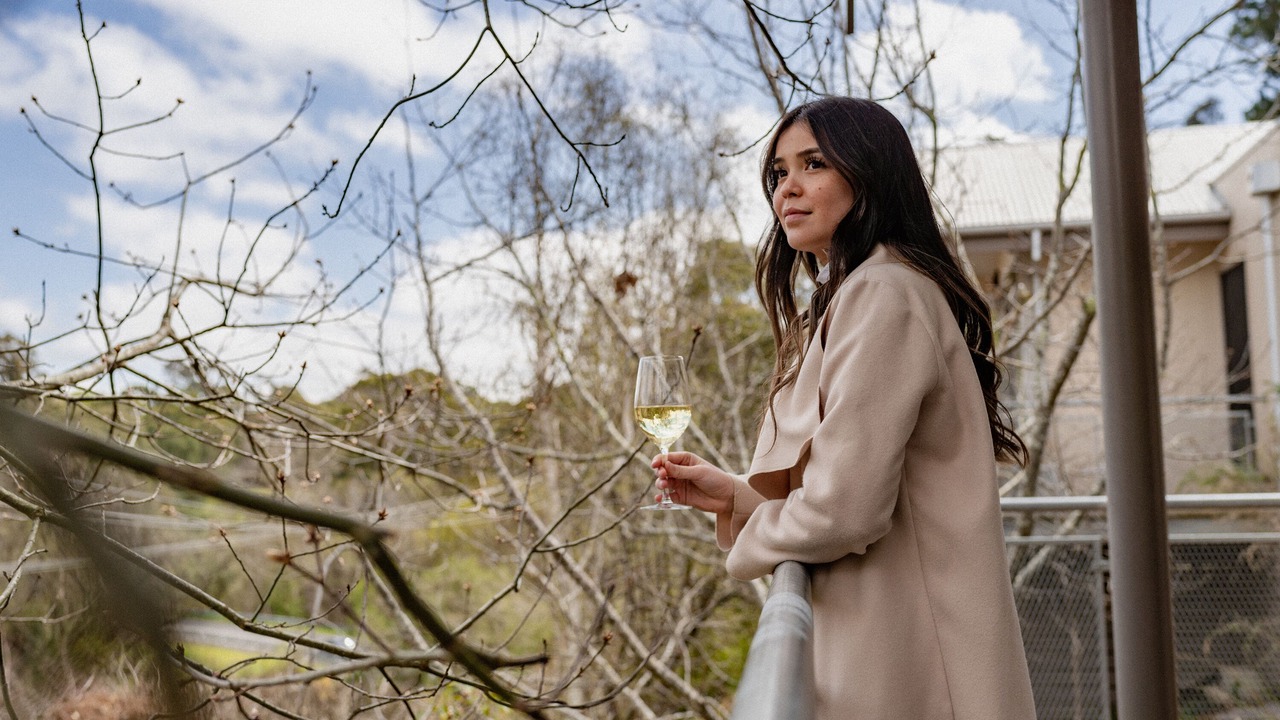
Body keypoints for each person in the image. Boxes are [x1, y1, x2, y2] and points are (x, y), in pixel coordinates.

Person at [652, 97, 1038, 719]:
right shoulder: (870, 290)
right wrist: (733, 497)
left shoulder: (883, 294)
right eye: (779, 172)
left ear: (868, 175)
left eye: (814, 164)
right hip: (901, 630)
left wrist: (750, 545)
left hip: (915, 648)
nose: (788, 189)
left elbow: (845, 510)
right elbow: (850, 485)